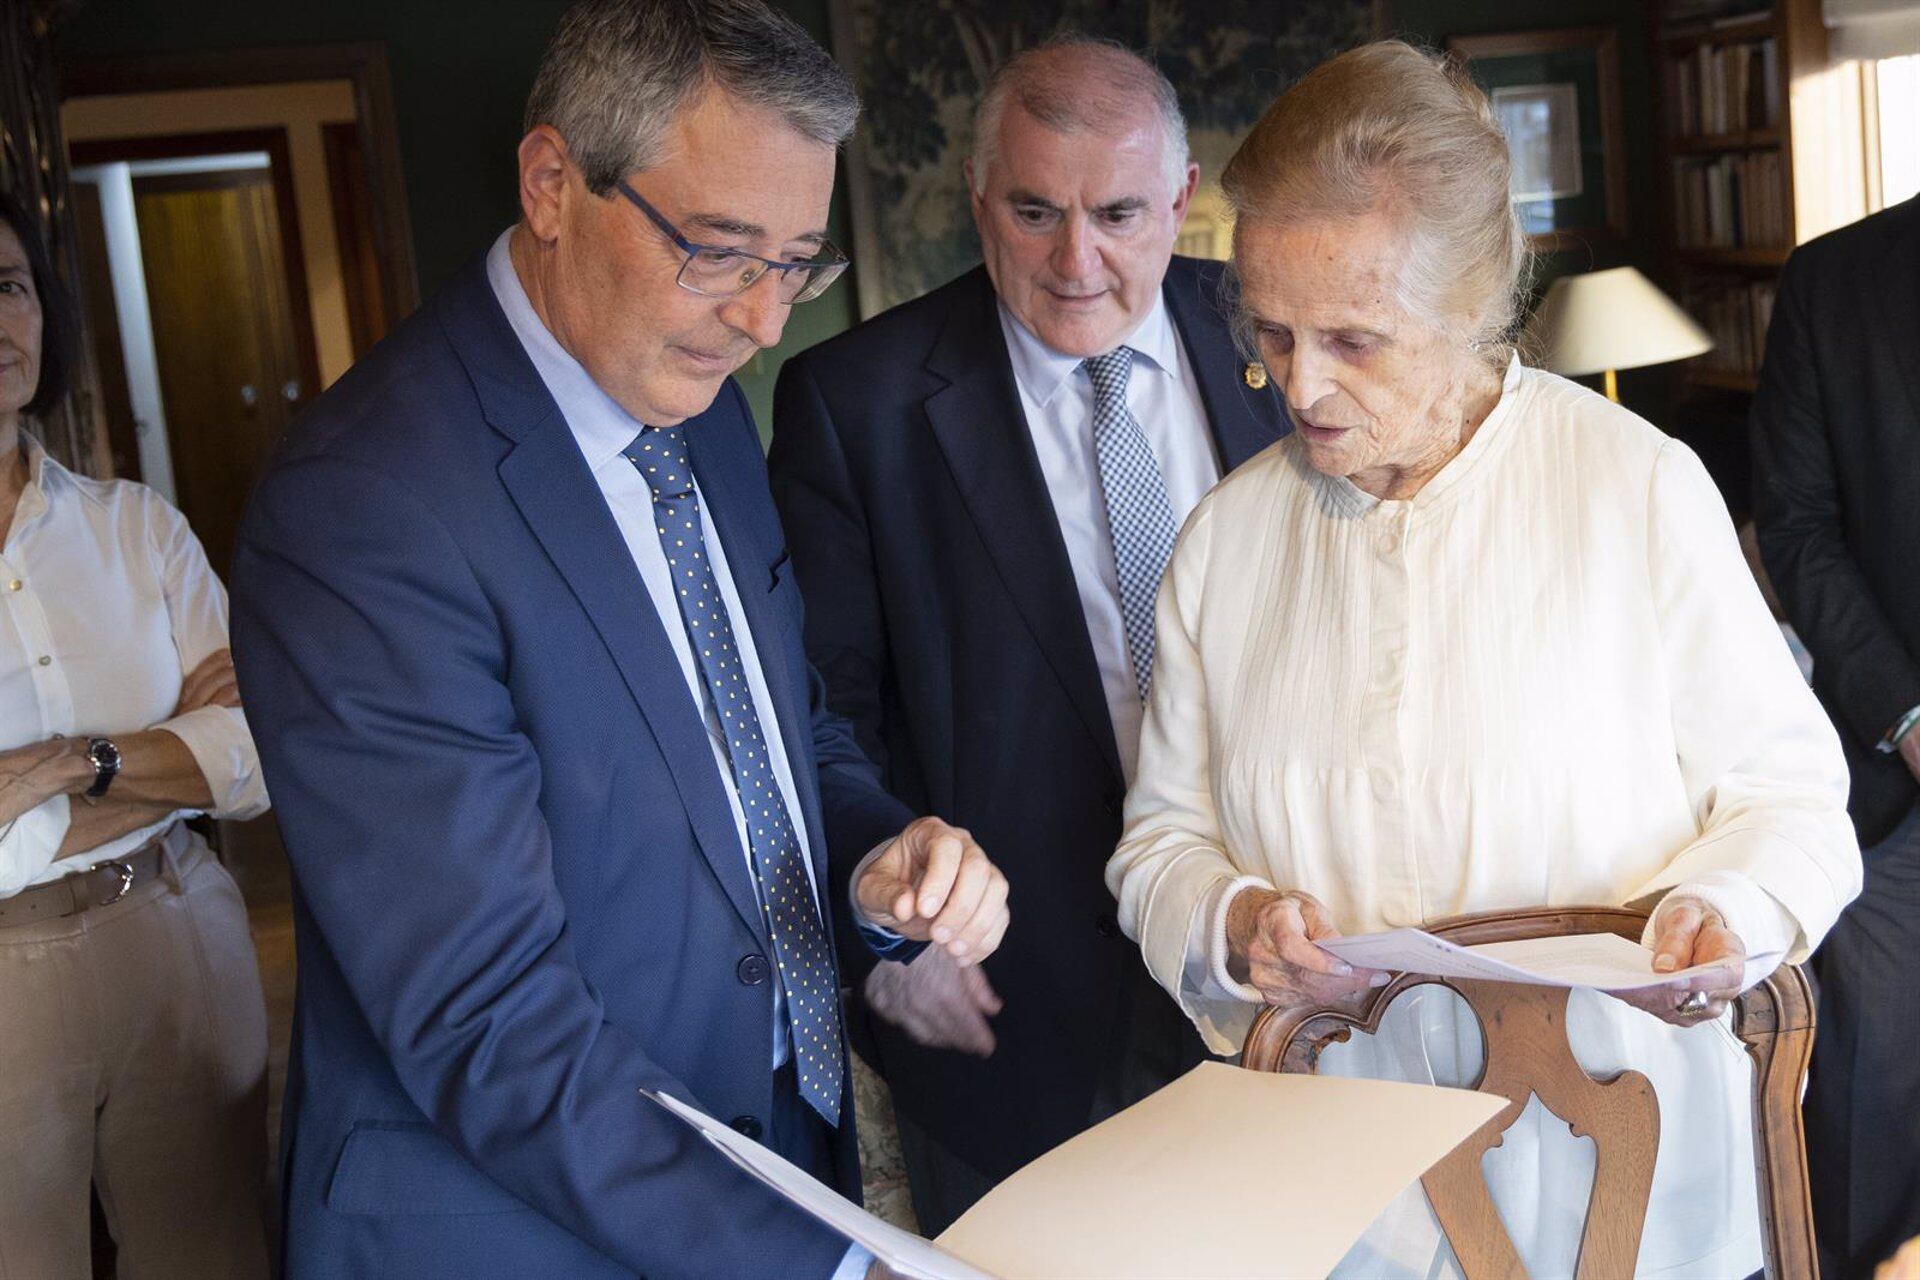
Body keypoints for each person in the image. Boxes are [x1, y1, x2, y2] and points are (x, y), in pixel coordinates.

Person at [227, 3, 1009, 1277]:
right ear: (551, 183)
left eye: (796, 261)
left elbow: (775, 726)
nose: (765, 319)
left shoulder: (694, 406)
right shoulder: (363, 504)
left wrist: (875, 860)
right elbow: (487, 1017)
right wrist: (836, 1259)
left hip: (775, 1165)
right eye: (719, 250)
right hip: (514, 1226)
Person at [1106, 42, 1862, 1279]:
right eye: (1273, 331)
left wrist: (1714, 914)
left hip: (1636, 1189)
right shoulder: (1228, 542)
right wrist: (1233, 917)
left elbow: (1793, 805)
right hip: (1347, 1214)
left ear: (1475, 308)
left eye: (1355, 338)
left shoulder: (1639, 490)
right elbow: (1160, 844)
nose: (1300, 383)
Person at [769, 35, 1286, 1232]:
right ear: (976, 192)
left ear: (1184, 199)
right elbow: (818, 712)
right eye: (1035, 210)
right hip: (1010, 1008)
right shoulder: (858, 404)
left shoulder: (1279, 345)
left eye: (1116, 212)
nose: (1076, 258)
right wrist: (891, 942)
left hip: (1279, 974)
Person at [0, 189, 270, 1277]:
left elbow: (254, 756)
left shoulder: (135, 523)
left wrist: (68, 765)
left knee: (217, 1254)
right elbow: (210, 749)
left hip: (177, 926)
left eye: (8, 286)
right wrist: (171, 752)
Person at [1751, 192, 1920, 1279]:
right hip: (1895, 766)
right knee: (1861, 1056)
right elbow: (1798, 529)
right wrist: (1907, 717)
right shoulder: (1835, 280)